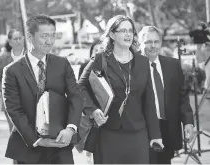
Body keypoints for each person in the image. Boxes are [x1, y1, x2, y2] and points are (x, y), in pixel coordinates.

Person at [78, 15, 163, 164]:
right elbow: (79, 87)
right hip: (108, 133)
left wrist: (155, 134)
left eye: (131, 31)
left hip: (138, 134)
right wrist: (93, 110)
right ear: (112, 34)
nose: (128, 34)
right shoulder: (101, 59)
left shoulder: (143, 62)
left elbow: (149, 101)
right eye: (123, 30)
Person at [2, 15, 82, 164]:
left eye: (53, 36)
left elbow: (76, 97)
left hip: (60, 143)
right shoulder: (12, 71)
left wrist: (71, 128)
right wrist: (38, 140)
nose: (49, 41)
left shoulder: (62, 64)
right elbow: (14, 109)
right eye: (44, 36)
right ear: (30, 37)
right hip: (28, 146)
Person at [138, 25, 195, 164]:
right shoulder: (134, 66)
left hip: (168, 128)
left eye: (156, 41)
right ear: (140, 43)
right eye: (148, 42)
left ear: (161, 43)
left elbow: (182, 96)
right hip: (143, 129)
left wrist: (188, 122)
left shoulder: (173, 65)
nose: (153, 46)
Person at [0, 29, 24, 132]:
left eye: (20, 38)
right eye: (16, 39)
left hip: (29, 102)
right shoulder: (4, 59)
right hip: (10, 103)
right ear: (10, 42)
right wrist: (5, 91)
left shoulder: (31, 56)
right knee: (15, 133)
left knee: (29, 134)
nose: (19, 41)